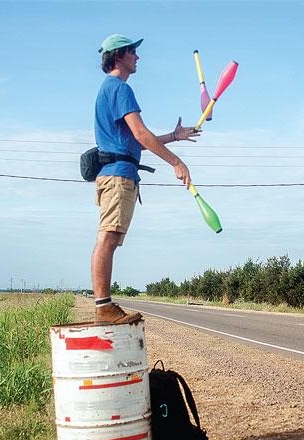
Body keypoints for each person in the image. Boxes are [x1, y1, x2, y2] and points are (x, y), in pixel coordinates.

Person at [92, 34, 199, 324]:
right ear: (119, 56)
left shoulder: (108, 89)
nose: (138, 58)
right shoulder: (120, 89)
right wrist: (176, 162)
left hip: (115, 173)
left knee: (109, 236)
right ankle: (103, 306)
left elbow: (135, 142)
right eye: (133, 53)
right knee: (109, 237)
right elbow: (140, 134)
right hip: (117, 177)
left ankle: (104, 304)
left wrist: (173, 137)